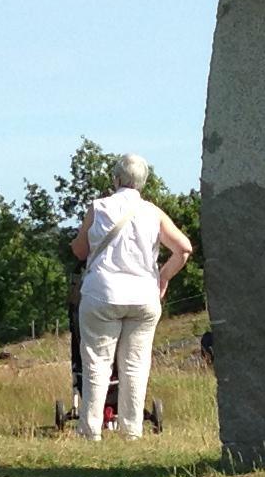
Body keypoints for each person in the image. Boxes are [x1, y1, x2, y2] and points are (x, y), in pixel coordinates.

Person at [69, 153, 191, 440]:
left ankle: (90, 430)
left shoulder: (99, 207)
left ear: (116, 179)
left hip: (102, 293)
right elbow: (183, 249)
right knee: (135, 366)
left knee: (97, 363)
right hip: (144, 295)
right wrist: (163, 277)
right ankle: (132, 432)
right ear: (143, 182)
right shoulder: (153, 212)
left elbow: (80, 251)